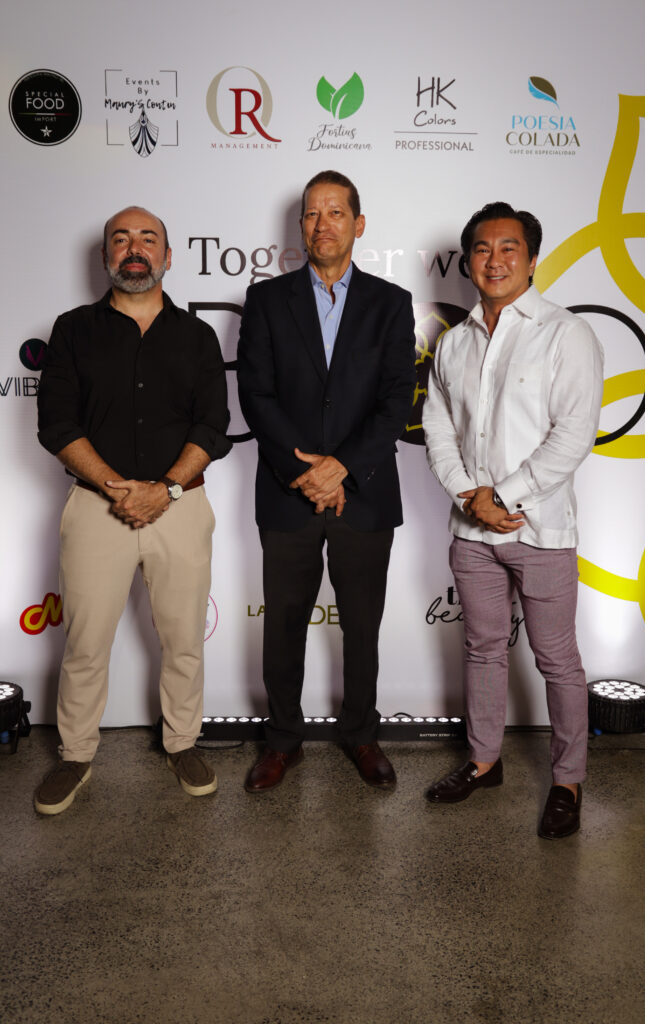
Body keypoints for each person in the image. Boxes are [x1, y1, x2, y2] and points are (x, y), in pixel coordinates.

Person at [34, 206, 231, 814]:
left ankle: (183, 743)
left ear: (168, 257)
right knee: (85, 643)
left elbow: (213, 426)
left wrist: (164, 488)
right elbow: (56, 423)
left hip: (181, 506)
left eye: (148, 239)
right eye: (121, 239)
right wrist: (117, 487)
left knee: (183, 640)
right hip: (97, 508)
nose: (134, 248)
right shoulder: (72, 330)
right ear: (105, 256)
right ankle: (75, 755)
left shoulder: (197, 336)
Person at [422, 201, 603, 838]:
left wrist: (503, 495)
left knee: (557, 660)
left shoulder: (566, 333)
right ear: (468, 260)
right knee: (482, 649)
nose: (494, 260)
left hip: (541, 530)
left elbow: (573, 434)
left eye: (509, 248)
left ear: (532, 260)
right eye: (482, 248)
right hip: (471, 533)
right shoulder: (454, 342)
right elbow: (438, 429)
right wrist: (468, 495)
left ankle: (568, 781)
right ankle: (484, 760)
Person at [237, 170, 415, 791]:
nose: (323, 224)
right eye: (312, 214)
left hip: (364, 494)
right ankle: (282, 740)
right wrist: (305, 472)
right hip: (288, 494)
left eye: (336, 212)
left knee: (362, 626)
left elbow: (396, 398)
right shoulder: (267, 300)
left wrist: (343, 467)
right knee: (283, 625)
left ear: (358, 224)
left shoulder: (391, 303)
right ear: (301, 226)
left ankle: (361, 734)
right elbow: (256, 394)